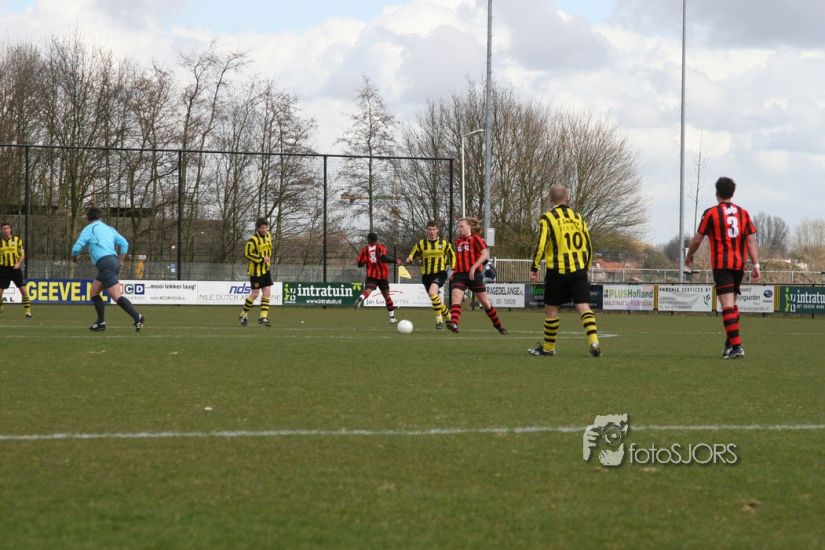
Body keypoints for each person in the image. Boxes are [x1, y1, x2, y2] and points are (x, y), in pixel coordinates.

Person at [685, 176, 760, 359]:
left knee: (726, 306)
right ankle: (729, 345)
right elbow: (750, 241)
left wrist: (688, 256)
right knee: (732, 305)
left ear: (717, 193)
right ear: (732, 193)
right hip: (739, 265)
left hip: (722, 264)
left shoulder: (711, 213)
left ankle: (737, 347)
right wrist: (756, 265)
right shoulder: (743, 213)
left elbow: (697, 239)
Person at [528, 185, 601, 357]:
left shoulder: (547, 218)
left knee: (552, 309)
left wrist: (534, 267)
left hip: (557, 270)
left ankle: (548, 348)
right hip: (578, 269)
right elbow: (588, 244)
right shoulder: (578, 217)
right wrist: (587, 264)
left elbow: (541, 245)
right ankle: (594, 341)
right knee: (583, 306)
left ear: (550, 200)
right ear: (567, 198)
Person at [71, 207, 144, 332]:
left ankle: (138, 317)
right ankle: (101, 322)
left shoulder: (89, 229)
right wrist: (120, 260)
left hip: (105, 264)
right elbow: (124, 243)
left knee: (116, 296)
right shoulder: (109, 229)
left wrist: (74, 257)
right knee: (94, 292)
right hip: (111, 262)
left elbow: (77, 247)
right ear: (100, 217)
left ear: (88, 217)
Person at [447, 217, 508, 335]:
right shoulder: (458, 241)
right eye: (459, 227)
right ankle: (454, 323)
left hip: (474, 275)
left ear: (469, 227)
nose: (459, 228)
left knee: (485, 303)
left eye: (462, 226)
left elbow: (484, 254)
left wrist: (474, 267)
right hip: (459, 275)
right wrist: (454, 271)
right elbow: (459, 258)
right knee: (456, 299)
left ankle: (498, 325)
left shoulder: (476, 238)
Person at [405, 220, 456, 329]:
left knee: (433, 293)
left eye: (434, 229)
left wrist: (453, 269)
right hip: (426, 275)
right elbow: (412, 254)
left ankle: (439, 321)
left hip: (440, 273)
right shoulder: (421, 244)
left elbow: (452, 255)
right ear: (426, 231)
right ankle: (449, 317)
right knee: (436, 299)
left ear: (437, 230)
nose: (432, 231)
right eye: (429, 229)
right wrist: (409, 259)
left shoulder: (444, 244)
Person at [353, 232, 401, 324]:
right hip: (382, 276)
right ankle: (392, 318)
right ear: (376, 240)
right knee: (387, 296)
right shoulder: (381, 247)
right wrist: (395, 261)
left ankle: (361, 297)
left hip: (371, 276)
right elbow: (383, 258)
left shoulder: (364, 250)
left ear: (369, 240)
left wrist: (366, 260)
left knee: (367, 291)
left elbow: (359, 264)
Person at [240, 218, 274, 327]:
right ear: (258, 228)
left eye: (266, 227)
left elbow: (269, 249)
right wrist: (261, 259)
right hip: (255, 271)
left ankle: (263, 317)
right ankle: (243, 314)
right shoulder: (252, 240)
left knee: (267, 292)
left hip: (266, 269)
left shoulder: (268, 236)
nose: (264, 230)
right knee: (255, 294)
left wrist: (268, 259)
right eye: (262, 228)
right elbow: (248, 254)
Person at [0, 222, 32, 318]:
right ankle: (1, 305)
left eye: (7, 228)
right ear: (1, 230)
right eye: (4, 228)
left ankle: (28, 312)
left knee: (23, 290)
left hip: (15, 268)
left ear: (10, 229)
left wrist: (18, 263)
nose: (6, 230)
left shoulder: (17, 240)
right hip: (3, 269)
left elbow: (22, 254)